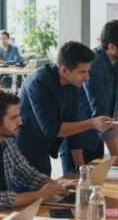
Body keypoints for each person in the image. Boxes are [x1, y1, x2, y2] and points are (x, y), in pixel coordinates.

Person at [16, 41, 113, 176]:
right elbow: (51, 129)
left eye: (88, 71)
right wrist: (92, 123)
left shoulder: (72, 83)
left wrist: (82, 169)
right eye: (82, 72)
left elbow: (74, 127)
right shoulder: (39, 82)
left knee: (46, 190)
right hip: (23, 149)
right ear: (64, 71)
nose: (87, 77)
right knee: (33, 193)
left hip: (43, 148)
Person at [0, 90, 70, 209]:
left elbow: (28, 174)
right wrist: (39, 195)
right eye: (14, 118)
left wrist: (56, 186)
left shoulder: (7, 140)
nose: (21, 122)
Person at [60, 20, 118, 174]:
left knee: (98, 186)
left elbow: (114, 104)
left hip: (98, 135)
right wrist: (115, 154)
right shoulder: (94, 64)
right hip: (78, 139)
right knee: (77, 188)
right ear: (112, 46)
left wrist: (116, 137)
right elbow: (100, 110)